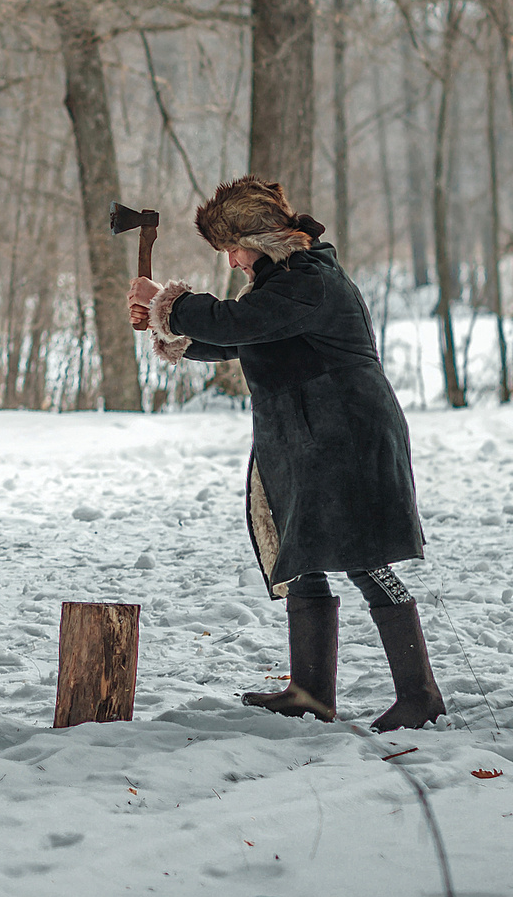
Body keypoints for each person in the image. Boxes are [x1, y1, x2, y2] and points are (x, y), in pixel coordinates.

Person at [125, 177, 442, 732]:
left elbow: (239, 323)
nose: (232, 262)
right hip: (305, 437)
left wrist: (166, 304)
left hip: (348, 436)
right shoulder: (282, 284)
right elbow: (238, 337)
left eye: (233, 249)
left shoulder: (309, 279)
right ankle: (309, 693)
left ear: (259, 241)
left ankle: (420, 696)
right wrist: (165, 322)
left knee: (366, 561)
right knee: (301, 559)